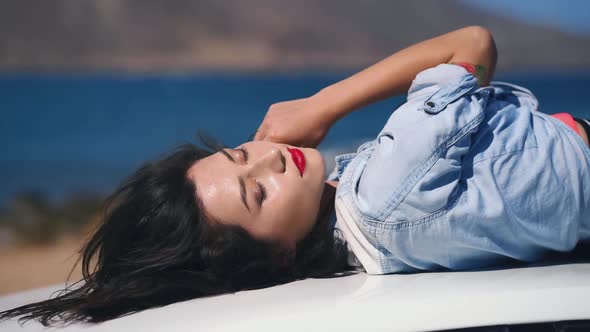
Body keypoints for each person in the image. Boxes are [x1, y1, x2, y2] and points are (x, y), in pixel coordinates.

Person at [1, 26, 589, 326]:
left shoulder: (364, 237)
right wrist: (323, 105)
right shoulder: (382, 196)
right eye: (256, 193)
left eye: (241, 153)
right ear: (279, 257)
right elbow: (472, 45)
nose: (270, 158)